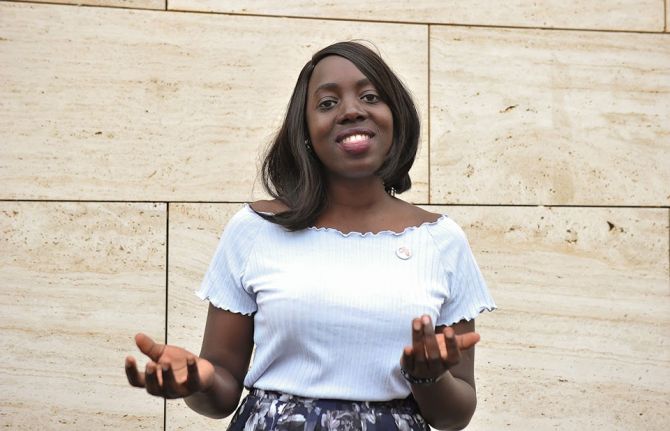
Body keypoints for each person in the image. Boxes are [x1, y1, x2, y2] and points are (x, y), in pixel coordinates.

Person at [125, 41, 495, 430]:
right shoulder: (255, 230)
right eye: (327, 103)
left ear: (396, 118)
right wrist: (195, 381)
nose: (351, 110)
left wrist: (428, 376)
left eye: (370, 96)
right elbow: (220, 391)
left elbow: (455, 416)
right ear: (305, 132)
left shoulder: (440, 240)